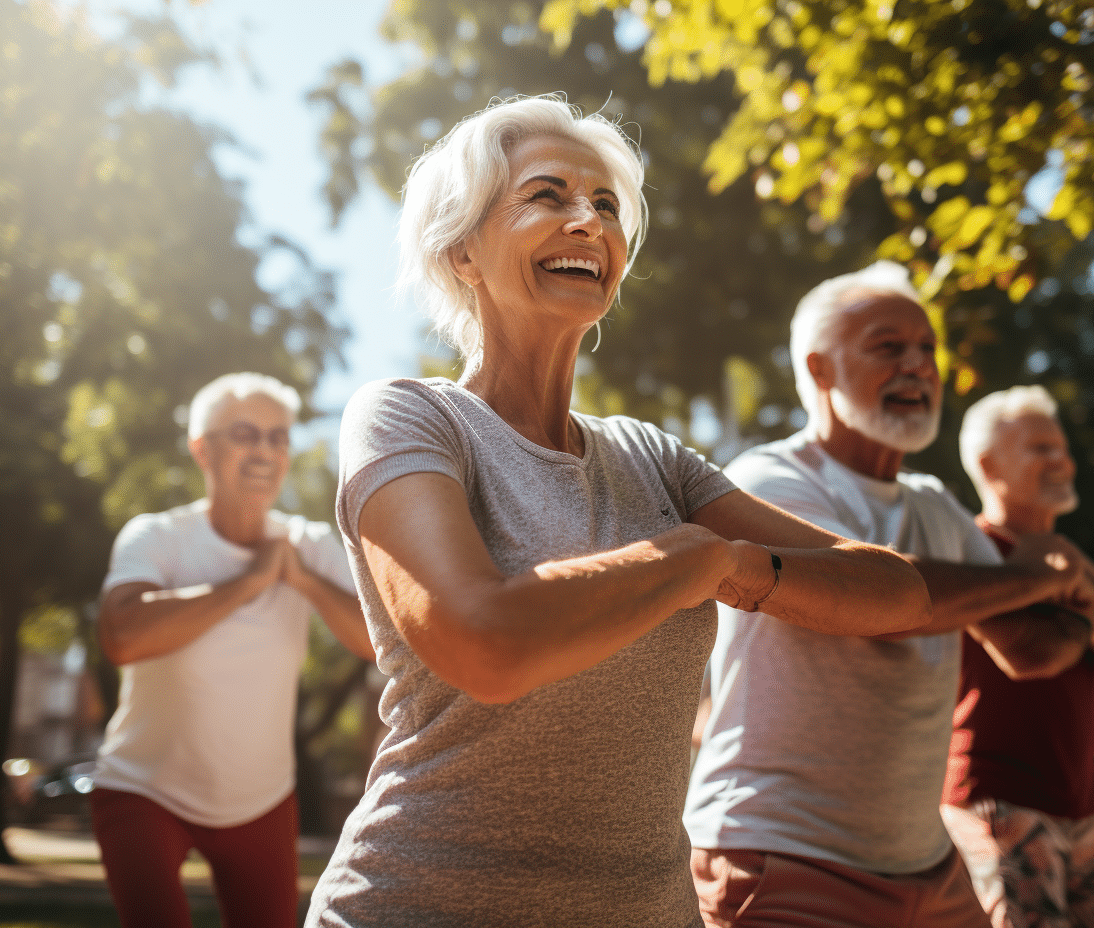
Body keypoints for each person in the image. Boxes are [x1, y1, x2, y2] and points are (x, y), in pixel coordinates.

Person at [305, 96, 930, 928]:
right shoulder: (408, 418)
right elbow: (483, 644)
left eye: (605, 206)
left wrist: (733, 563)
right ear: (461, 250)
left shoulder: (654, 459)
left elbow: (897, 596)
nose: (586, 222)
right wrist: (685, 562)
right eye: (547, 195)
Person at [684, 261, 1094, 928]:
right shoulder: (767, 479)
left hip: (928, 866)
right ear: (820, 371)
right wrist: (1038, 578)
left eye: (927, 350)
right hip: (780, 853)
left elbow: (1033, 648)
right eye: (889, 347)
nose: (919, 366)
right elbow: (873, 609)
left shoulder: (935, 504)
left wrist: (1041, 602)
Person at [91, 372, 374, 928]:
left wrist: (304, 581)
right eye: (245, 433)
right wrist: (247, 582)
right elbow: (121, 636)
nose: (265, 451)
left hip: (261, 802)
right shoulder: (156, 537)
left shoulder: (309, 546)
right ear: (202, 448)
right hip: (145, 789)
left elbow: (383, 643)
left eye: (278, 437)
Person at [940, 385, 1094, 928]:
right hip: (997, 802)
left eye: (1061, 447)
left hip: (1081, 803)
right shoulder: (970, 548)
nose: (1062, 460)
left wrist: (1093, 626)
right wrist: (1090, 620)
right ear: (989, 464)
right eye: (1040, 448)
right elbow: (1032, 654)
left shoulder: (1069, 554)